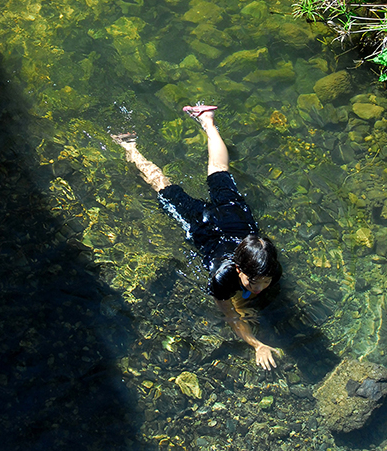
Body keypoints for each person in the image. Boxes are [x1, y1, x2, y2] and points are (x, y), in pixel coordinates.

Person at [112, 105, 282, 370]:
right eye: (254, 282)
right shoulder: (223, 277)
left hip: (235, 219)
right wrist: (256, 344)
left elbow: (249, 296)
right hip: (204, 224)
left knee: (219, 169)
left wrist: (255, 290)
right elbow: (230, 316)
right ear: (238, 269)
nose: (260, 287)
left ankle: (207, 119)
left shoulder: (267, 264)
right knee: (164, 187)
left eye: (265, 281)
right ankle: (129, 147)